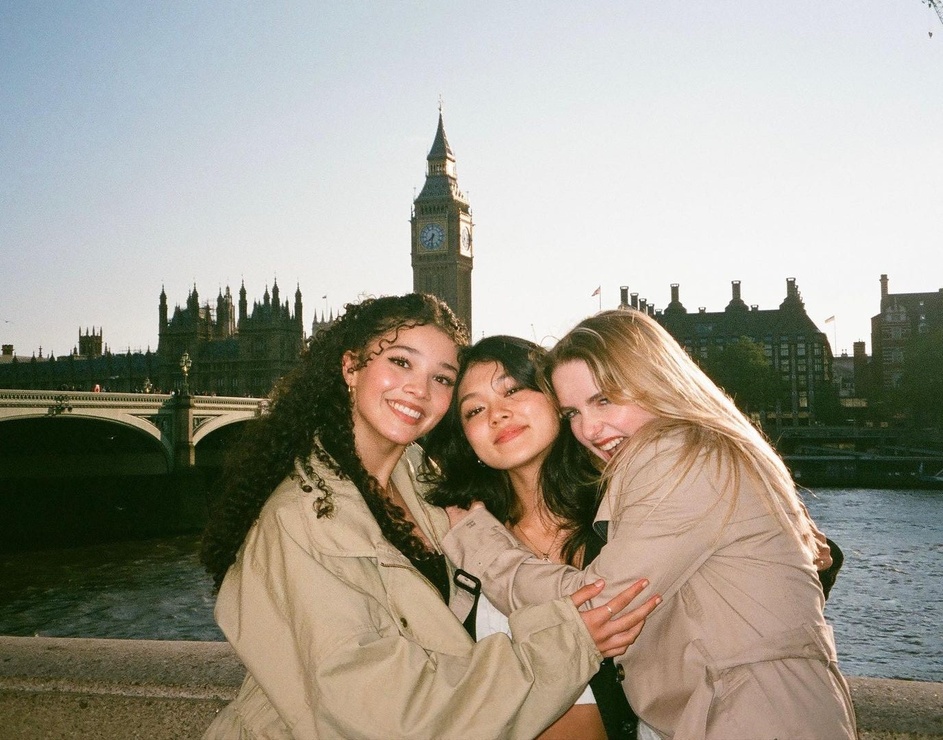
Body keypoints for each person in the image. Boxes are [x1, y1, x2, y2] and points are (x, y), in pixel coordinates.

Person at [199, 294, 658, 740]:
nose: (419, 390)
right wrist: (568, 641)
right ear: (350, 367)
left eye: (441, 378)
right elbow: (382, 711)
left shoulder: (426, 483)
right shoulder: (301, 516)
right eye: (400, 362)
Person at [443, 309, 858, 740]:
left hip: (751, 716)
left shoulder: (677, 456)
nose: (589, 428)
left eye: (604, 399)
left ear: (656, 380)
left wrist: (480, 545)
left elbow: (602, 606)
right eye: (573, 413)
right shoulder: (647, 474)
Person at [425, 335, 643, 739]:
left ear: (557, 401)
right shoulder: (455, 541)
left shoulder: (628, 511)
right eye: (475, 410)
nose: (497, 414)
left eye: (512, 390)